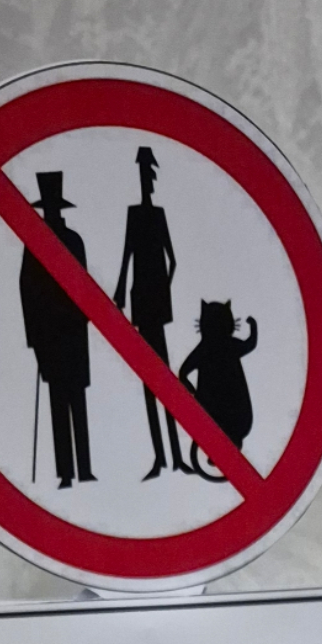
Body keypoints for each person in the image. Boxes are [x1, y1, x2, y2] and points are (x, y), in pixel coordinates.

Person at [113, 145, 186, 478]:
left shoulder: (158, 214)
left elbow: (173, 259)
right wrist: (120, 290)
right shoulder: (134, 214)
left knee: (163, 376)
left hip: (153, 299)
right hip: (141, 299)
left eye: (149, 175)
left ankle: (176, 455)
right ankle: (161, 456)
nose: (146, 181)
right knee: (150, 378)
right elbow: (127, 254)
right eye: (143, 175)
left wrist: (163, 288)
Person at [20, 171, 94, 487]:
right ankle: (66, 472)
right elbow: (26, 291)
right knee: (59, 402)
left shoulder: (74, 241)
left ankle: (84, 468)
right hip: (52, 336)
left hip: (72, 333)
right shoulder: (34, 245)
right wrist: (34, 339)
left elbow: (86, 289)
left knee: (76, 400)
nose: (51, 212)